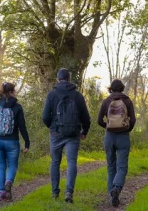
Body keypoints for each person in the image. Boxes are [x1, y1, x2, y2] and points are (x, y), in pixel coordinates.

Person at [42, 68, 91, 203]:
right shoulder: (77, 96)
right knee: (71, 163)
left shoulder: (52, 95)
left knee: (55, 162)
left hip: (56, 133)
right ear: (70, 79)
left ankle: (54, 192)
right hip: (73, 134)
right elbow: (86, 118)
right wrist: (84, 132)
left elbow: (45, 116)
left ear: (58, 79)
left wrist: (52, 128)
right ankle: (69, 192)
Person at [0, 82, 30, 201]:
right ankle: (8, 183)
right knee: (12, 165)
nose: (15, 93)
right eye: (14, 91)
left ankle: (1, 193)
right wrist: (27, 142)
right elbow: (22, 126)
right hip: (12, 141)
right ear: (10, 92)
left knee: (0, 166)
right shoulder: (17, 107)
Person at [97, 79, 136, 207]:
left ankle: (111, 195)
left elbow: (99, 120)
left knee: (111, 167)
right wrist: (126, 129)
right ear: (122, 88)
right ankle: (117, 189)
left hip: (109, 137)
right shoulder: (127, 100)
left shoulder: (106, 101)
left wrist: (108, 126)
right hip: (123, 136)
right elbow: (133, 120)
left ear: (111, 89)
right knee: (122, 167)